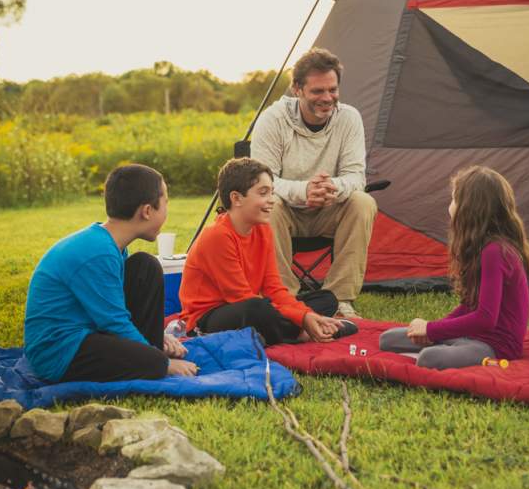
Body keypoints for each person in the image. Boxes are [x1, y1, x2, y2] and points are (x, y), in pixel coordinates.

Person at [24, 164, 197, 383]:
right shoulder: (98, 252)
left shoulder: (111, 244)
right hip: (61, 352)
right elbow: (113, 322)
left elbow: (117, 307)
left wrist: (158, 337)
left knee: (146, 266)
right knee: (154, 363)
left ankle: (151, 349)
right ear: (147, 211)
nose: (167, 211)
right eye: (165, 203)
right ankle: (152, 357)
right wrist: (162, 364)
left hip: (89, 332)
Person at [251, 47, 377, 318]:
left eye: (332, 90)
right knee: (266, 204)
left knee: (363, 202)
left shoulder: (349, 118)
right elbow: (263, 180)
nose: (327, 98)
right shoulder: (273, 120)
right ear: (297, 89)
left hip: (328, 209)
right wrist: (304, 190)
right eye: (318, 91)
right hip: (285, 211)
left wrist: (332, 187)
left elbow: (356, 176)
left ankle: (340, 298)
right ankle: (284, 297)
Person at [179, 158, 357, 346]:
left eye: (272, 192)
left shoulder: (263, 230)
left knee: (326, 299)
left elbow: (274, 288)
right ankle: (300, 334)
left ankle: (287, 330)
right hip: (207, 319)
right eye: (263, 193)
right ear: (236, 198)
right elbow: (240, 297)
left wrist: (307, 315)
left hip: (249, 306)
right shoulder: (217, 236)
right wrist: (302, 318)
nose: (271, 200)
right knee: (257, 309)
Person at [379, 166, 529, 370]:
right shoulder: (482, 247)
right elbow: (469, 306)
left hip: (494, 347)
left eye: (454, 199)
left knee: (429, 359)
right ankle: (449, 345)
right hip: (470, 336)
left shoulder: (496, 252)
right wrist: (434, 330)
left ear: (470, 208)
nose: (450, 206)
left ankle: (449, 348)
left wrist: (431, 330)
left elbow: (485, 318)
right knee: (387, 339)